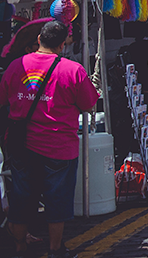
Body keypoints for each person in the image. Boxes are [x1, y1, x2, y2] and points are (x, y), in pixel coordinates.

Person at [2, 21, 99, 258]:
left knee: (22, 196)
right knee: (58, 200)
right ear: (62, 44)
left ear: (39, 39)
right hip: (59, 147)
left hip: (22, 145)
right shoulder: (73, 69)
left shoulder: (16, 66)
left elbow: (3, 99)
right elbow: (89, 103)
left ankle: (19, 247)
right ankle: (55, 250)